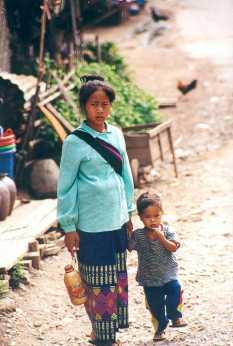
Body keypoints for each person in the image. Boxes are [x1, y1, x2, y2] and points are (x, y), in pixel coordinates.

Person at [57, 75, 135, 346]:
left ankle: (102, 331)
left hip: (116, 221)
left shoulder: (116, 134)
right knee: (97, 282)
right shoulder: (74, 142)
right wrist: (69, 227)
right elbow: (66, 187)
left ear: (110, 106)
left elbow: (125, 175)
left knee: (115, 279)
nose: (99, 109)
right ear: (84, 107)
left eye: (104, 104)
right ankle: (104, 338)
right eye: (93, 104)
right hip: (91, 225)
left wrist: (129, 213)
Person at [128, 192, 187, 342]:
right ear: (140, 217)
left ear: (162, 214)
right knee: (156, 307)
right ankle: (160, 329)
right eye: (148, 217)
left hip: (169, 274)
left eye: (156, 215)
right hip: (149, 279)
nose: (153, 220)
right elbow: (129, 247)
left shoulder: (167, 230)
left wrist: (161, 237)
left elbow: (173, 247)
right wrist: (127, 232)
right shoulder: (139, 234)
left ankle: (175, 316)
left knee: (175, 291)